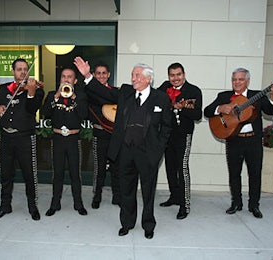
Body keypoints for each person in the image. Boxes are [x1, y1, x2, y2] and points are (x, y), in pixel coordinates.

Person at [74, 56, 172, 239]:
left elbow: (167, 127)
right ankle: (127, 223)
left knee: (148, 191)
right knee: (126, 190)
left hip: (148, 153)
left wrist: (158, 150)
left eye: (137, 76)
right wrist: (87, 75)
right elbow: (104, 92)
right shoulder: (125, 92)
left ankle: (148, 225)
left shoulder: (161, 98)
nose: (133, 78)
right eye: (133, 75)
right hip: (125, 151)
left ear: (148, 78)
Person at [204, 67, 273, 219]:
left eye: (240, 79)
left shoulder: (256, 96)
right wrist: (220, 108)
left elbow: (271, 111)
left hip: (253, 141)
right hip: (234, 141)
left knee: (255, 174)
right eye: (234, 79)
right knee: (234, 174)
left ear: (248, 81)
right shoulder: (224, 96)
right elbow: (207, 111)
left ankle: (254, 205)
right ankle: (236, 203)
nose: (237, 82)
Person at [0, 58, 44, 221]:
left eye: (25, 69)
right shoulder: (4, 89)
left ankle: (33, 207)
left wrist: (31, 93)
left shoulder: (36, 89)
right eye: (19, 69)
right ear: (13, 71)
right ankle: (5, 206)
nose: (23, 72)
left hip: (24, 137)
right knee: (6, 174)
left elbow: (32, 109)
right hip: (6, 137)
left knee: (29, 174)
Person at [158, 62, 202, 220]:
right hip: (166, 135)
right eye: (172, 75)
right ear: (168, 76)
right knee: (170, 167)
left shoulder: (193, 90)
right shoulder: (163, 87)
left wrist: (182, 108)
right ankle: (174, 196)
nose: (175, 78)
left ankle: (185, 205)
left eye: (178, 74)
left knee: (182, 168)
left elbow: (198, 115)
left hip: (183, 135)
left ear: (184, 74)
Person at [42, 67, 88, 216]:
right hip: (58, 139)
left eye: (69, 77)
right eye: (63, 77)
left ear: (75, 80)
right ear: (60, 79)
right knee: (58, 173)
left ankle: (78, 203)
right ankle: (55, 204)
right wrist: (56, 96)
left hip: (74, 139)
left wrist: (73, 96)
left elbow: (84, 114)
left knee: (75, 173)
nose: (66, 79)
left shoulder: (80, 96)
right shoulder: (51, 95)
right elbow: (45, 114)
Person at [85, 62, 120, 209]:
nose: (101, 76)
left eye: (104, 73)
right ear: (94, 75)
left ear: (109, 75)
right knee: (99, 168)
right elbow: (101, 100)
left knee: (116, 167)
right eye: (98, 73)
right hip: (100, 134)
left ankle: (117, 196)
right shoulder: (89, 92)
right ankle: (97, 196)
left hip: (115, 136)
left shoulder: (115, 91)